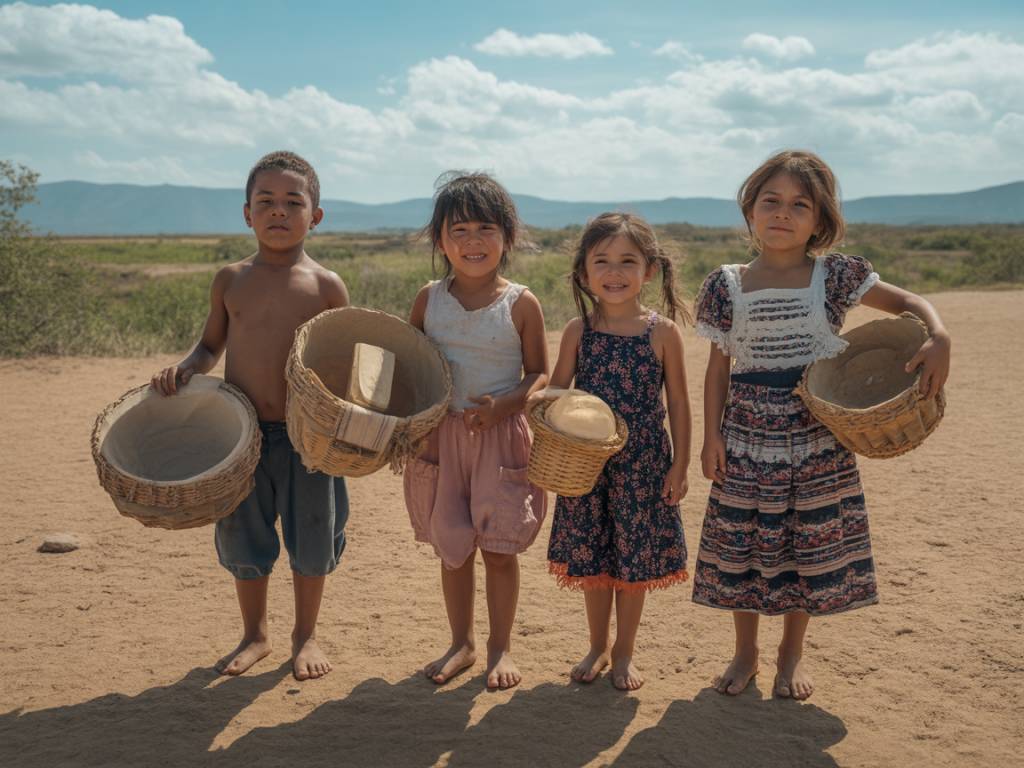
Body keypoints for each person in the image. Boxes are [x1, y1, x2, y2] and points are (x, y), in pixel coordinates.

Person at [692, 149, 952, 700]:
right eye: (771, 201)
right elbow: (718, 369)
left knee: (802, 546)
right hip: (745, 438)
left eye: (799, 205)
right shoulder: (726, 284)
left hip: (816, 439)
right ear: (750, 211)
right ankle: (746, 652)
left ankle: (791, 653)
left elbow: (907, 300)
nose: (782, 214)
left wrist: (939, 334)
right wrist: (711, 435)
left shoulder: (834, 277)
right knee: (746, 547)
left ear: (820, 220)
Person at [151, 151, 350, 681]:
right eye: (266, 202)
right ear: (246, 214)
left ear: (316, 216)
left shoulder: (327, 285)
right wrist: (187, 368)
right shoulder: (230, 279)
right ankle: (255, 634)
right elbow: (210, 345)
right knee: (244, 538)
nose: (279, 212)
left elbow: (341, 359)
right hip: (241, 438)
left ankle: (305, 636)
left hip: (309, 439)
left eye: (293, 202)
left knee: (312, 536)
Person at [403, 171, 549, 690]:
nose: (472, 241)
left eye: (485, 228)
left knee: (499, 549)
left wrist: (505, 405)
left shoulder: (521, 303)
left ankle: (499, 646)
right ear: (440, 240)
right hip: (442, 440)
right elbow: (413, 365)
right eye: (458, 230)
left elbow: (539, 372)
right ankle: (461, 642)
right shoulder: (429, 300)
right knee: (453, 545)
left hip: (502, 438)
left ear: (507, 237)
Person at [544, 212, 692, 691]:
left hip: (644, 465)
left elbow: (680, 404)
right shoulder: (577, 331)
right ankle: (597, 645)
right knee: (593, 561)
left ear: (649, 270)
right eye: (602, 261)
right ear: (585, 273)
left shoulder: (662, 332)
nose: (614, 272)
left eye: (628, 261)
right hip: (589, 467)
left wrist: (681, 464)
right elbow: (555, 397)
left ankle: (625, 651)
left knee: (633, 564)